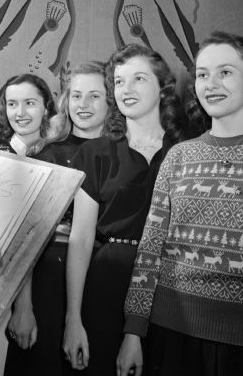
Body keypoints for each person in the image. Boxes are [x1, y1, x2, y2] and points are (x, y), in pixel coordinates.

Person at [117, 31, 243, 376]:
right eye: (203, 74)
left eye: (226, 72)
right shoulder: (179, 156)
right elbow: (150, 250)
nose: (211, 84)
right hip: (171, 334)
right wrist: (133, 330)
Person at [63, 44, 187, 375]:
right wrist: (72, 318)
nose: (126, 90)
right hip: (106, 282)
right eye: (118, 82)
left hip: (172, 286)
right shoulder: (95, 152)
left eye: (138, 79)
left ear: (163, 87)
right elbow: (81, 239)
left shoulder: (189, 150)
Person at [4, 62, 108, 376]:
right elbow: (26, 235)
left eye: (94, 96)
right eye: (76, 96)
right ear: (65, 100)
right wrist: (23, 305)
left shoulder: (124, 154)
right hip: (48, 279)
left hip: (103, 281)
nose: (84, 105)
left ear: (111, 100)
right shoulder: (45, 154)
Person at [0, 73, 55, 376]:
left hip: (52, 273)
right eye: (13, 104)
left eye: (30, 103)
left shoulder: (60, 156)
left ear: (46, 108)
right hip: (0, 280)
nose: (20, 112)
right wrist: (22, 306)